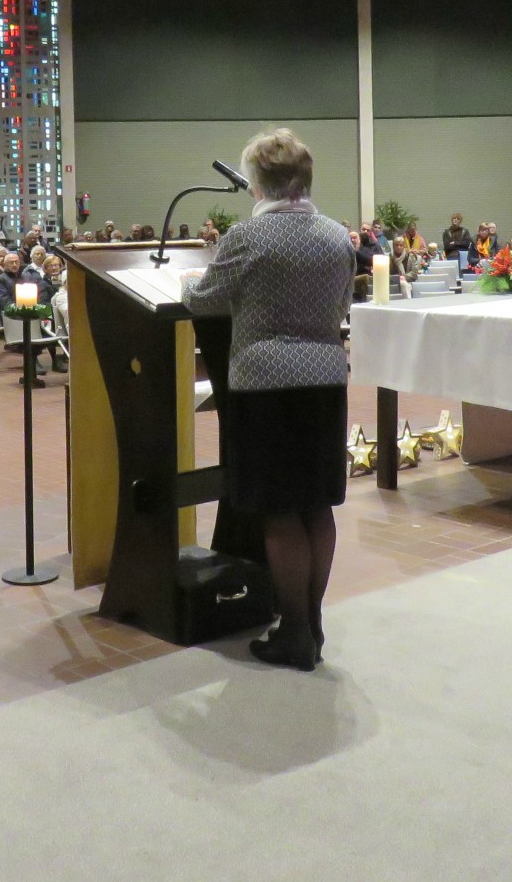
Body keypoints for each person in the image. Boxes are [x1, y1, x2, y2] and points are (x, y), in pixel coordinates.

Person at [180, 128, 353, 672]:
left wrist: (187, 281)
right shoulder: (336, 237)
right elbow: (343, 300)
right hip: (326, 378)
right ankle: (313, 620)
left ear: (257, 183)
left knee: (280, 511)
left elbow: (202, 299)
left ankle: (294, 632)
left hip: (266, 384)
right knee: (317, 505)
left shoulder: (246, 239)